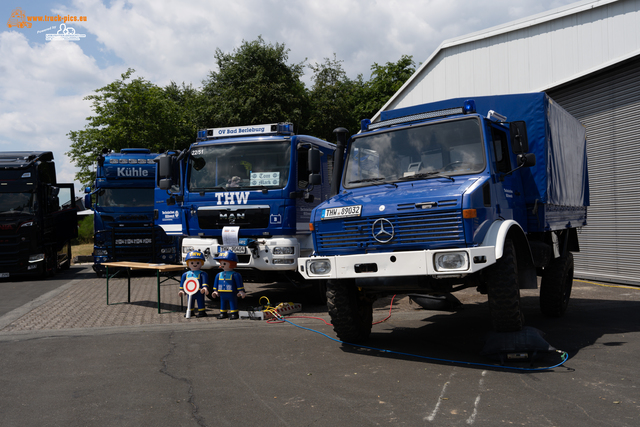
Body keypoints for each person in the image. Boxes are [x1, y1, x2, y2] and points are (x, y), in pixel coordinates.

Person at [211, 251, 246, 319]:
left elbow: (239, 283)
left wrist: (241, 291)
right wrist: (215, 291)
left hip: (232, 293)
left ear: (232, 263)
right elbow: (216, 283)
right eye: (221, 263)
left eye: (224, 263)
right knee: (222, 303)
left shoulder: (235, 274)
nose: (222, 264)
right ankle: (223, 313)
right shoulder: (219, 275)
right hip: (222, 293)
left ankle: (234, 313)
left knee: (232, 302)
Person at [178, 251, 210, 318]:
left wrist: (205, 287)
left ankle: (202, 312)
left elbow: (204, 282)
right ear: (188, 263)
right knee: (190, 301)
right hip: (190, 291)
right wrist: (181, 290)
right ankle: (190, 311)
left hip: (199, 291)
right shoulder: (186, 274)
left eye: (197, 263)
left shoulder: (203, 274)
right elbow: (183, 283)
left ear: (201, 263)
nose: (194, 264)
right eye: (192, 263)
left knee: (200, 301)